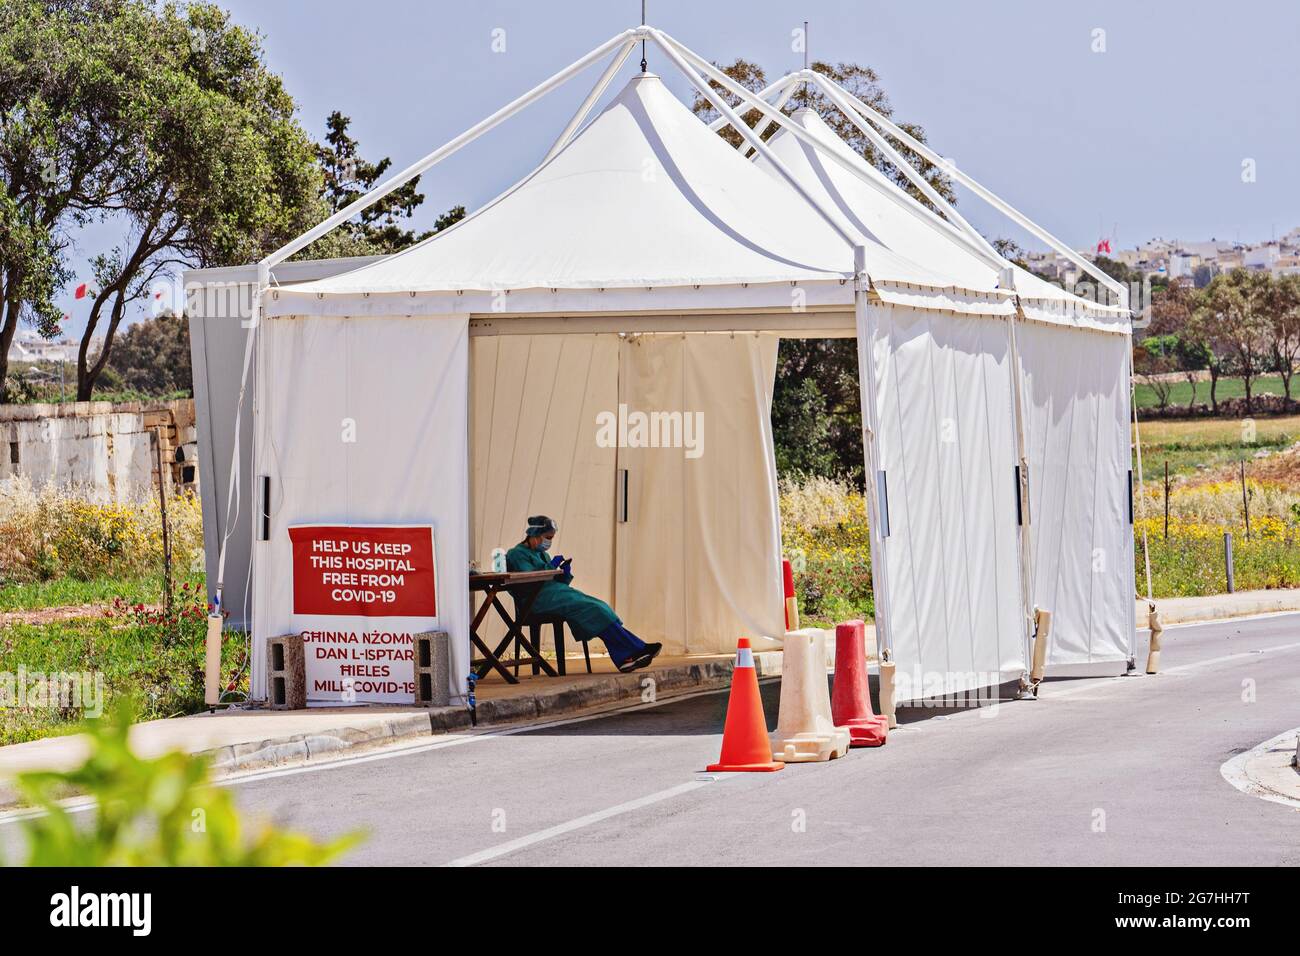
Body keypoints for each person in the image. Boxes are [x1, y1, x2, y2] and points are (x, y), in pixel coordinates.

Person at [506, 515, 662, 673]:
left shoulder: (542, 554)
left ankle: (627, 655)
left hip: (555, 595)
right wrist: (549, 567)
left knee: (599, 606)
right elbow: (529, 580)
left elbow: (553, 582)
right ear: (534, 534)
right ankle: (633, 650)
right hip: (536, 601)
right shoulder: (516, 554)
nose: (549, 542)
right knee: (593, 609)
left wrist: (563, 574)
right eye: (547, 537)